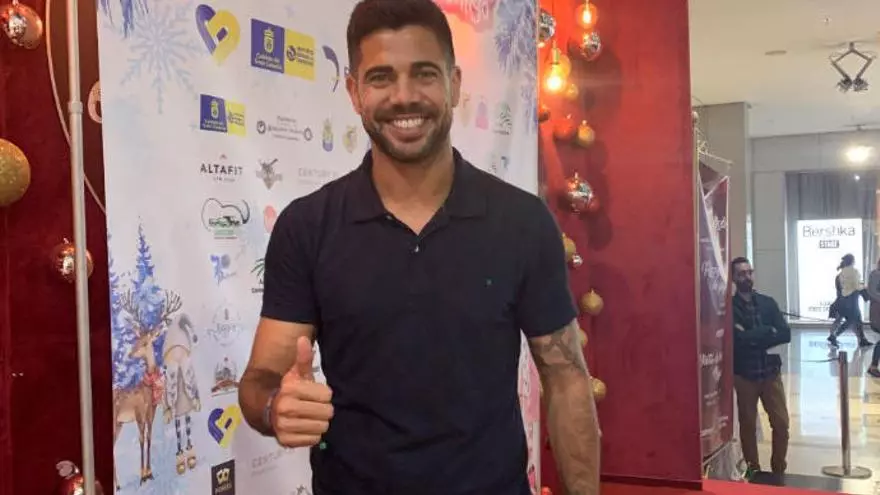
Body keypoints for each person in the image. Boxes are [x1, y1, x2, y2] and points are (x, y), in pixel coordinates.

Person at [238, 1, 601, 494]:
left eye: (424, 74)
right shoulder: (307, 226)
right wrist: (273, 407)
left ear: (454, 83)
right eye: (381, 78)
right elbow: (260, 378)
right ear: (354, 92)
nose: (404, 96)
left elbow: (566, 380)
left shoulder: (521, 222)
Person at [731, 257, 791, 476]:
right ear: (733, 278)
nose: (747, 277)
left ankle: (778, 468)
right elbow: (737, 340)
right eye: (741, 274)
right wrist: (767, 331)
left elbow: (785, 333)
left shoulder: (768, 303)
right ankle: (753, 470)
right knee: (747, 425)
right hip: (744, 375)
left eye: (749, 272)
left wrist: (752, 336)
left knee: (781, 423)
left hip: (770, 372)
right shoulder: (729, 307)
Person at [828, 254, 871, 348]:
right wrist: (864, 287)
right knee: (851, 320)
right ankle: (834, 335)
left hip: (843, 300)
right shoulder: (854, 272)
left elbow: (840, 288)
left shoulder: (841, 273)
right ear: (852, 261)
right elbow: (856, 286)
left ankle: (862, 339)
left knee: (857, 319)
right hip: (852, 300)